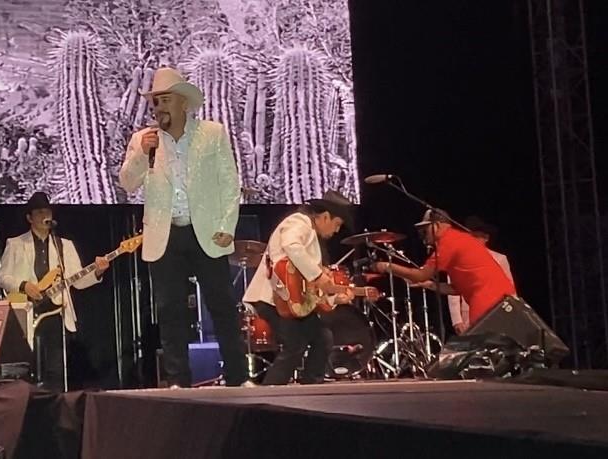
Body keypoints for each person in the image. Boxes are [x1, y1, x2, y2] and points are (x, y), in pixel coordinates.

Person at [119, 67, 250, 388]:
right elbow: (127, 183)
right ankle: (178, 380)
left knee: (221, 305)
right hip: (165, 234)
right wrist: (141, 153)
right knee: (170, 309)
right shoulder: (143, 139)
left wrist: (227, 225)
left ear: (182, 103)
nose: (158, 107)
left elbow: (230, 183)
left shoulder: (212, 133)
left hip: (205, 231)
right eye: (155, 102)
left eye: (164, 100)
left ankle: (238, 376)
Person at [0, 192, 110, 392]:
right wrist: (24, 285)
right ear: (29, 218)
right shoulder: (15, 244)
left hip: (56, 313)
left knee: (56, 368)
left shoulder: (63, 246)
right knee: (27, 366)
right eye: (39, 212)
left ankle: (56, 405)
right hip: (27, 310)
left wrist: (98, 271)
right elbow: (2, 278)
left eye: (47, 211)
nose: (44, 215)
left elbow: (77, 281)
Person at [242, 190, 356, 385]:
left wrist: (334, 297)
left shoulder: (311, 237)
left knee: (322, 338)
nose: (336, 231)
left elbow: (308, 286)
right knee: (295, 346)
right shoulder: (299, 222)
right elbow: (291, 245)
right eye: (337, 224)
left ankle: (311, 386)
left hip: (290, 299)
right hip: (274, 297)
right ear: (325, 216)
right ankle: (269, 396)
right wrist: (319, 275)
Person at [372, 209, 516, 330]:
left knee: (487, 351)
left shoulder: (449, 242)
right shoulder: (458, 239)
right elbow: (457, 289)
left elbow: (420, 274)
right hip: (500, 301)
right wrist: (429, 285)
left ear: (437, 225)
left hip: (489, 302)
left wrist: (386, 267)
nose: (424, 234)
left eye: (426, 229)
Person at [447, 216, 515, 334]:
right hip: (470, 315)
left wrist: (514, 311)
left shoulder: (500, 259)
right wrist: (456, 320)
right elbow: (453, 290)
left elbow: (510, 288)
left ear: (486, 238)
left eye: (476, 236)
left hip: (497, 311)